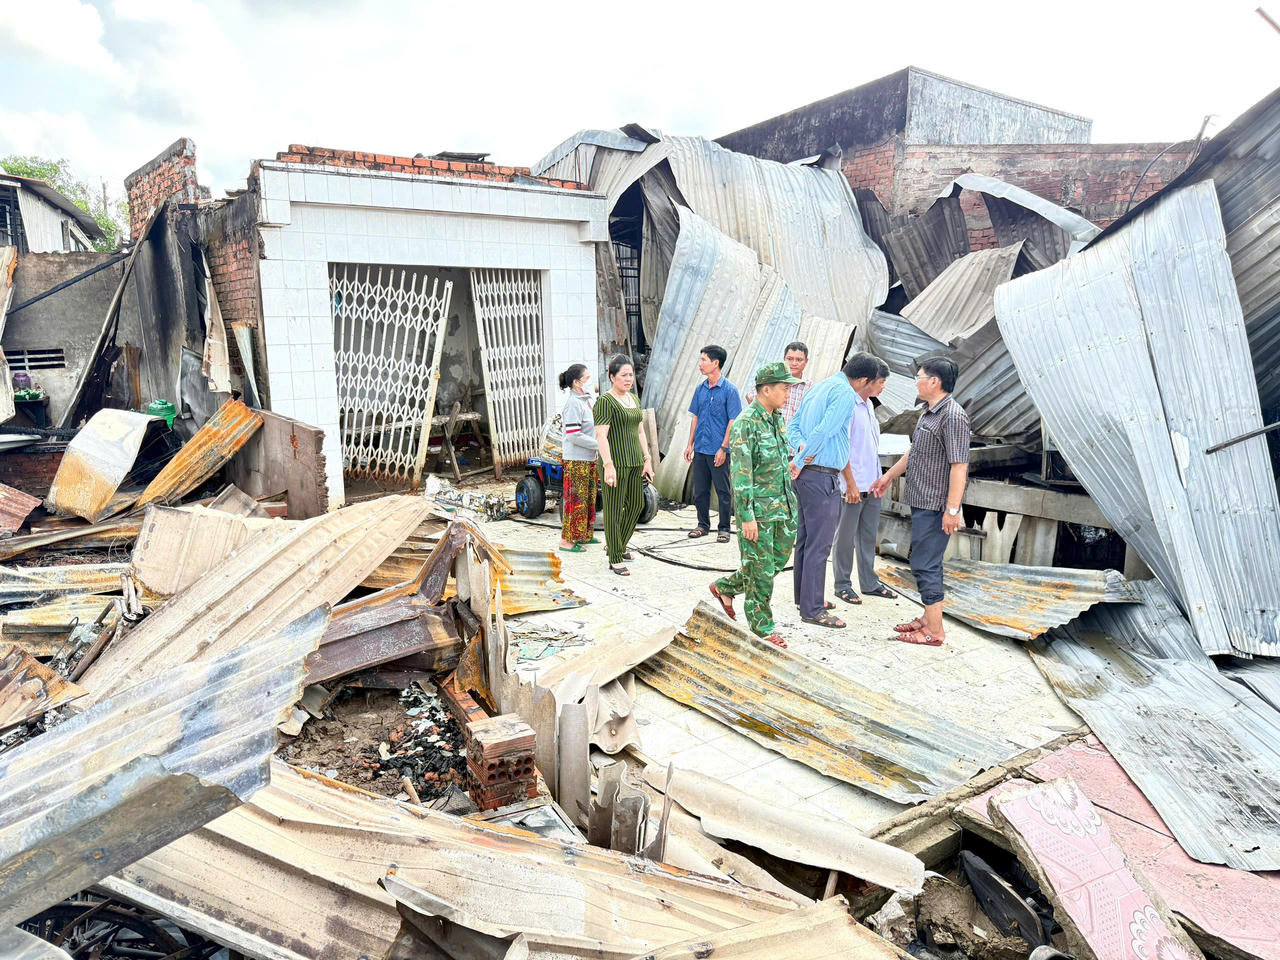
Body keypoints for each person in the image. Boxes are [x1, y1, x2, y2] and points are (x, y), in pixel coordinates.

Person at [870, 356, 971, 646]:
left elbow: (959, 466)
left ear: (934, 382)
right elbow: (914, 452)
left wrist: (952, 510)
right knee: (924, 562)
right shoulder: (929, 413)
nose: (916, 381)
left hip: (936, 504)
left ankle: (935, 632)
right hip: (922, 500)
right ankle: (928, 617)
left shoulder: (952, 415)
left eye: (919, 376)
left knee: (926, 564)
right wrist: (888, 476)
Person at [787, 353, 884, 628]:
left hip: (807, 475)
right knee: (819, 545)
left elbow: (793, 426)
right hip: (820, 476)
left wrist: (800, 449)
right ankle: (813, 609)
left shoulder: (819, 387)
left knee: (806, 541)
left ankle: (804, 598)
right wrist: (799, 459)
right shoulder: (844, 393)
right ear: (863, 379)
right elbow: (825, 430)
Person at [708, 361, 800, 649]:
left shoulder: (776, 418)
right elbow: (741, 474)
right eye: (784, 388)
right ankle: (762, 627)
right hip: (758, 512)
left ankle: (724, 587)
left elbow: (776, 462)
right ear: (767, 389)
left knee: (772, 565)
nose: (788, 392)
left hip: (783, 508)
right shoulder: (746, 424)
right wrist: (745, 515)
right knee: (761, 572)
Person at [831, 356, 895, 605]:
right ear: (867, 381)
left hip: (872, 483)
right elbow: (842, 448)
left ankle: (869, 582)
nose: (883, 387)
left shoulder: (869, 406)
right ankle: (842, 585)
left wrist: (879, 479)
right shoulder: (849, 405)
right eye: (881, 382)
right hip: (853, 485)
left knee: (868, 537)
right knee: (845, 537)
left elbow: (870, 447)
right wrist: (850, 484)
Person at [594, 355, 653, 576]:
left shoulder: (634, 400)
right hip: (615, 463)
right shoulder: (605, 402)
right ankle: (615, 557)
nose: (628, 379)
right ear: (612, 377)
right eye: (623, 375)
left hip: (635, 461)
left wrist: (647, 459)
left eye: (630, 375)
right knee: (613, 509)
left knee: (637, 505)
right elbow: (601, 436)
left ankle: (617, 544)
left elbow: (640, 431)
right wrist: (608, 465)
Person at [683, 345, 741, 543]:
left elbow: (733, 421)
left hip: (719, 450)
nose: (700, 364)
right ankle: (702, 525)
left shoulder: (730, 391)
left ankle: (724, 528)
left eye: (703, 360)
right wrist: (690, 444)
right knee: (700, 490)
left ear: (716, 363)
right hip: (700, 448)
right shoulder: (700, 389)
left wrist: (723, 448)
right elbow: (695, 417)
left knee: (723, 490)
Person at [557, 363, 599, 553]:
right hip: (577, 459)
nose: (590, 382)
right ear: (576, 383)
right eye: (587, 379)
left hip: (588, 458)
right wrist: (598, 445)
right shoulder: (573, 403)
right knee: (576, 500)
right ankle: (567, 541)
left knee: (588, 498)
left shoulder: (586, 400)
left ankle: (583, 534)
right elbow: (573, 434)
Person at [743, 341, 811, 425]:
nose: (794, 363)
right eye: (790, 359)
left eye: (799, 360)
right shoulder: (772, 379)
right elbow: (750, 396)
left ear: (806, 361)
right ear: (784, 359)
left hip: (791, 436)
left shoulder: (810, 389)